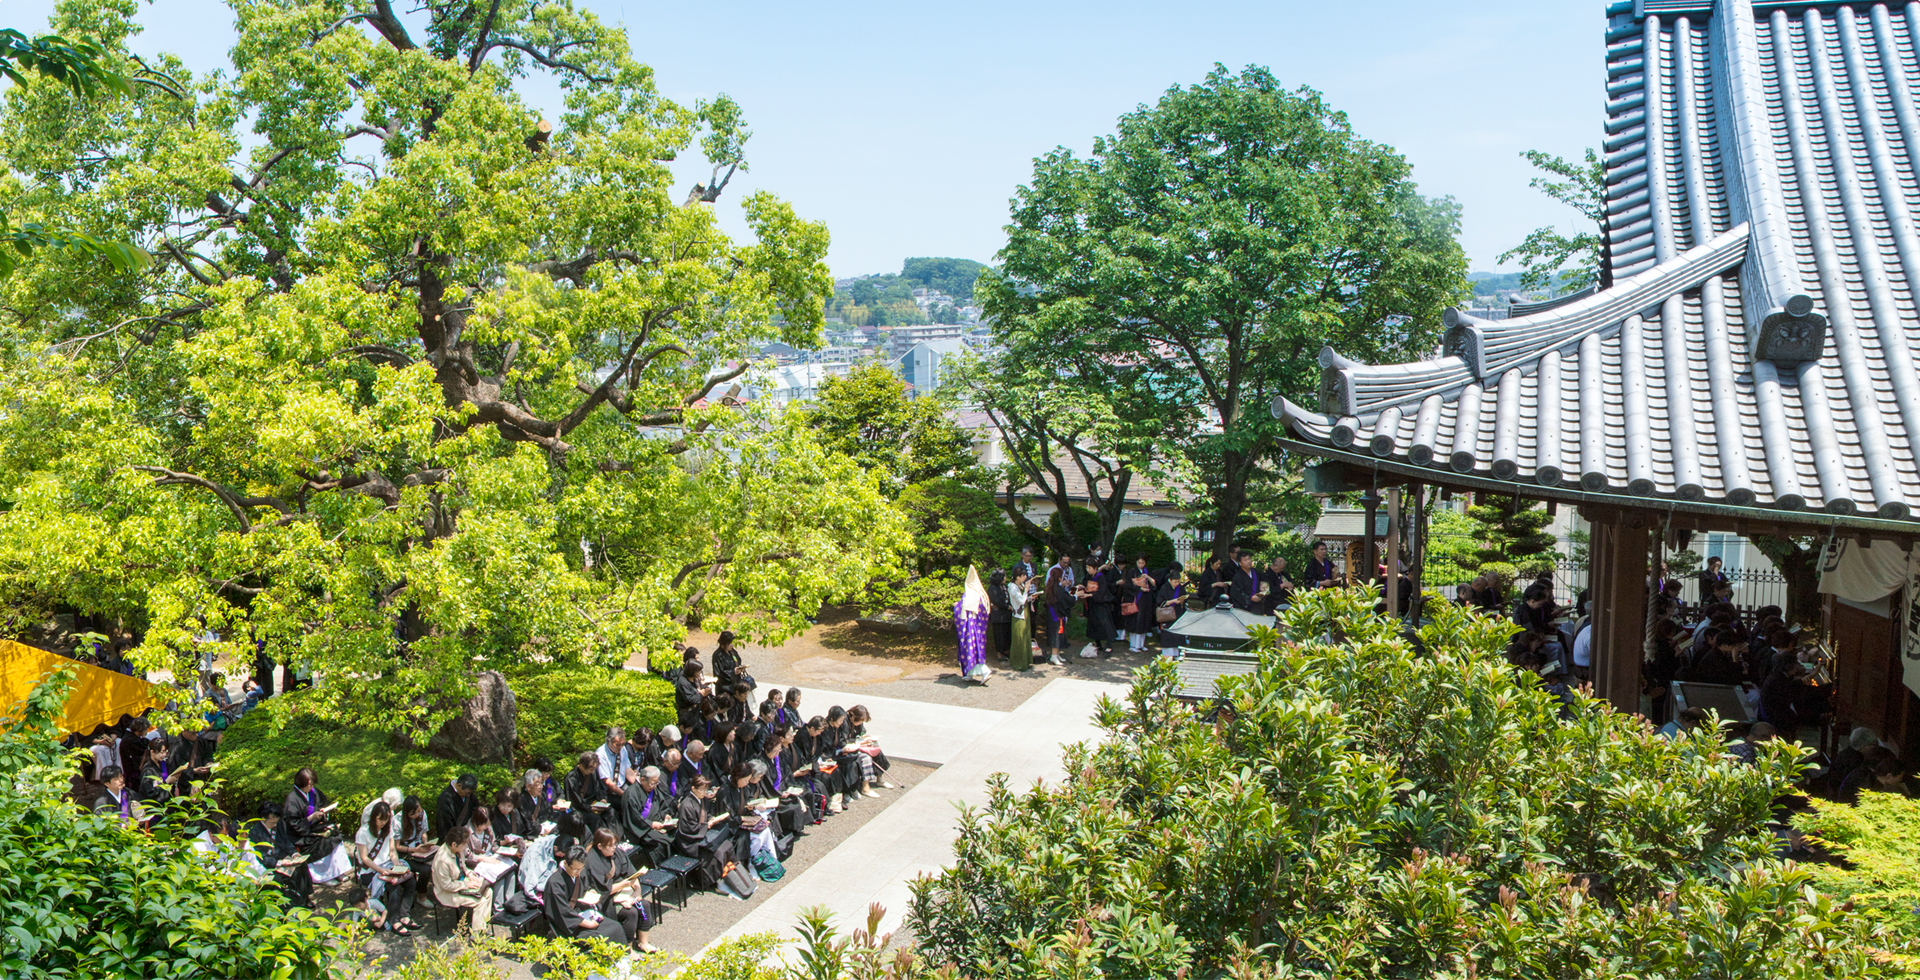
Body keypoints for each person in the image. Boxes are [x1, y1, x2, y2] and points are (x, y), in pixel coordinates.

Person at [544, 844, 634, 948]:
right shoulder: (555, 883)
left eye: (580, 869)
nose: (578, 872)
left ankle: (622, 959)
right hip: (568, 924)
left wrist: (590, 891)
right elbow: (561, 911)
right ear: (565, 863)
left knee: (616, 927)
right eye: (575, 869)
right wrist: (586, 923)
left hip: (583, 913)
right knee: (601, 936)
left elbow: (585, 887)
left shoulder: (579, 872)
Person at [582, 828, 655, 951]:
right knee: (630, 913)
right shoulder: (592, 860)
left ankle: (643, 942)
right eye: (610, 846)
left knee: (645, 905)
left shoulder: (618, 853)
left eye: (615, 844)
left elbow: (632, 875)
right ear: (600, 846)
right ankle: (628, 949)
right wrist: (623, 885)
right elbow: (602, 890)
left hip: (624, 891)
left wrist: (637, 892)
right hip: (606, 898)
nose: (614, 848)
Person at [354, 800, 420, 934]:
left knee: (410, 881)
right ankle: (394, 921)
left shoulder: (387, 830)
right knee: (393, 886)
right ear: (374, 817)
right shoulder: (363, 832)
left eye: (386, 819)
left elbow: (392, 851)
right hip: (370, 870)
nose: (383, 822)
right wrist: (381, 870)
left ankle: (404, 915)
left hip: (388, 865)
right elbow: (364, 858)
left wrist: (396, 863)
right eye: (380, 819)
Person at [247, 802, 315, 907]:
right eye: (271, 823)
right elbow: (260, 857)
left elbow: (286, 842)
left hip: (283, 857)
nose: (274, 825)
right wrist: (279, 863)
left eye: (276, 822)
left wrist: (294, 854)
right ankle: (291, 904)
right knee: (289, 874)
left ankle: (304, 898)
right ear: (263, 819)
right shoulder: (255, 833)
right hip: (270, 864)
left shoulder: (280, 824)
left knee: (302, 866)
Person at [674, 775, 736, 887]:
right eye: (701, 789)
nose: (704, 792)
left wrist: (711, 819)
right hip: (691, 841)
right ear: (693, 789)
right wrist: (706, 825)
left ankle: (729, 875)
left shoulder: (703, 800)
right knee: (718, 852)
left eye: (705, 789)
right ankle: (714, 881)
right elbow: (688, 828)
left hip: (702, 834)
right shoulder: (686, 805)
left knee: (727, 844)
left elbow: (707, 814)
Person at [431, 826, 494, 931]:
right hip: (448, 892)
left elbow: (463, 866)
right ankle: (476, 934)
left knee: (489, 891)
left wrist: (470, 874)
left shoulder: (456, 849)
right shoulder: (442, 860)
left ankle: (483, 924)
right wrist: (467, 885)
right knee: (480, 902)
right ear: (454, 844)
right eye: (464, 844)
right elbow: (446, 885)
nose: (466, 847)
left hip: (460, 882)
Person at [620, 766, 676, 867]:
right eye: (652, 783)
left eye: (656, 783)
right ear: (642, 779)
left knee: (676, 833)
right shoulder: (631, 794)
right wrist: (651, 825)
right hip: (642, 829)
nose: (654, 786)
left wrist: (666, 815)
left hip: (658, 824)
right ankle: (661, 870)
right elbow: (634, 818)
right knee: (663, 842)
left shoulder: (652, 789)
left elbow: (662, 805)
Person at [282, 768, 340, 857]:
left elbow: (322, 803)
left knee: (336, 836)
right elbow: (293, 824)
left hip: (314, 828)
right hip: (300, 836)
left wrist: (322, 811)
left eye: (313, 784)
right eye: (310, 784)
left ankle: (336, 869)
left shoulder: (313, 792)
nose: (312, 786)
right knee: (327, 842)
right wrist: (311, 817)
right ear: (302, 783)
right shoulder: (292, 800)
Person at [562, 750, 605, 840]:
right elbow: (575, 800)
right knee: (594, 818)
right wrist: (590, 808)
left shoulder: (593, 773)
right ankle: (598, 841)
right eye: (591, 769)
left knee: (610, 812)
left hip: (593, 803)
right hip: (580, 808)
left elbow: (598, 788)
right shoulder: (571, 778)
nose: (592, 771)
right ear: (582, 765)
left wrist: (602, 799)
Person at [1082, 554, 1118, 658]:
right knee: (1094, 624)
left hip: (1101, 604)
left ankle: (1109, 645)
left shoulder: (1100, 577)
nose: (1088, 570)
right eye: (1087, 568)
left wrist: (1090, 594)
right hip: (1093, 604)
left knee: (1105, 624)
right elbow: (1084, 583)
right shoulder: (1089, 576)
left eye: (1090, 568)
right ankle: (1098, 643)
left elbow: (1102, 591)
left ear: (1095, 568)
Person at [395, 795, 436, 879]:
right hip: (405, 853)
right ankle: (419, 890)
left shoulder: (422, 814)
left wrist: (426, 843)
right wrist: (414, 850)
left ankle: (421, 889)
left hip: (419, 848)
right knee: (425, 869)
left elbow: (423, 833)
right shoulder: (397, 821)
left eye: (419, 811)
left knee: (435, 863)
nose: (417, 814)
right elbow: (397, 846)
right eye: (413, 813)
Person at [1043, 561, 1074, 666]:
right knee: (1056, 634)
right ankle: (1054, 656)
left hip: (1052, 614)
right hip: (1057, 615)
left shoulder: (1051, 587)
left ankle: (1057, 654)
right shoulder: (1059, 589)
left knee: (1057, 634)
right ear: (1059, 578)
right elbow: (1067, 599)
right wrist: (1075, 596)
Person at [1125, 557, 1158, 653]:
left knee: (1144, 620)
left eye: (1143, 563)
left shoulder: (1147, 571)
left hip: (1146, 599)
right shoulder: (1132, 571)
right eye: (1139, 562)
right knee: (1135, 621)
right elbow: (1128, 586)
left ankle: (1141, 644)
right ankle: (1133, 645)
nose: (1141, 565)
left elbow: (1154, 583)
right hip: (1136, 599)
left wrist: (1147, 577)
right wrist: (1139, 589)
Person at [434, 773, 478, 844]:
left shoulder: (469, 797)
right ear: (459, 786)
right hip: (453, 839)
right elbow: (444, 823)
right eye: (467, 793)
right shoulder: (445, 798)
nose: (468, 795)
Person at [596, 727, 635, 803]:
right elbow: (607, 781)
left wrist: (639, 786)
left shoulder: (622, 749)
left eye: (623, 744)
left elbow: (628, 770)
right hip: (608, 791)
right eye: (617, 745)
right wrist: (624, 795)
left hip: (622, 785)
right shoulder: (601, 754)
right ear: (608, 741)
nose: (620, 747)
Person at [1007, 567, 1035, 671]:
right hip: (1019, 615)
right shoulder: (1012, 587)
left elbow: (1025, 598)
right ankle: (1019, 662)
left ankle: (1026, 661)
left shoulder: (1021, 585)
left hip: (1025, 613)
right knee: (1019, 638)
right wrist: (1027, 590)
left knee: (1026, 636)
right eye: (1023, 576)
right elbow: (1021, 601)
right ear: (1017, 577)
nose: (1025, 578)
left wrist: (1031, 597)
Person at [987, 568, 1012, 664]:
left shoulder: (1004, 587)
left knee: (1007, 633)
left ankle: (1006, 650)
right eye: (1003, 576)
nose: (1005, 578)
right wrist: (1006, 607)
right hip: (998, 615)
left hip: (1006, 614)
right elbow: (996, 600)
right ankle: (999, 653)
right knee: (999, 634)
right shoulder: (992, 588)